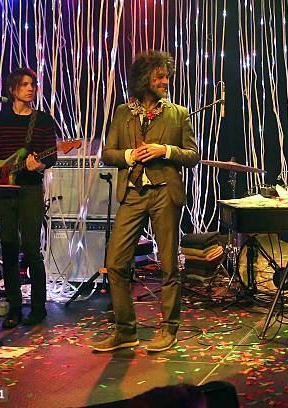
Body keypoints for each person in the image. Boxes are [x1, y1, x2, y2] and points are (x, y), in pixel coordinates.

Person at [92, 50, 199, 353]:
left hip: (165, 192)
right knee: (115, 263)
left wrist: (165, 150)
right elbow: (107, 153)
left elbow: (193, 155)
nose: (165, 81)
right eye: (159, 76)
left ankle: (169, 329)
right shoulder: (123, 112)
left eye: (167, 76)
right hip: (133, 193)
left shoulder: (178, 113)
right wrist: (130, 156)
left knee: (168, 265)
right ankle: (126, 331)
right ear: (144, 79)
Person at [0, 67, 57, 328]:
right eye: (25, 84)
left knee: (31, 249)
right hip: (4, 190)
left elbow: (51, 155)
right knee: (8, 247)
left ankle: (39, 308)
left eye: (33, 84)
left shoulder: (42, 120)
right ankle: (14, 307)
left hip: (30, 189)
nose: (31, 88)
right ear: (13, 90)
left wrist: (39, 165)